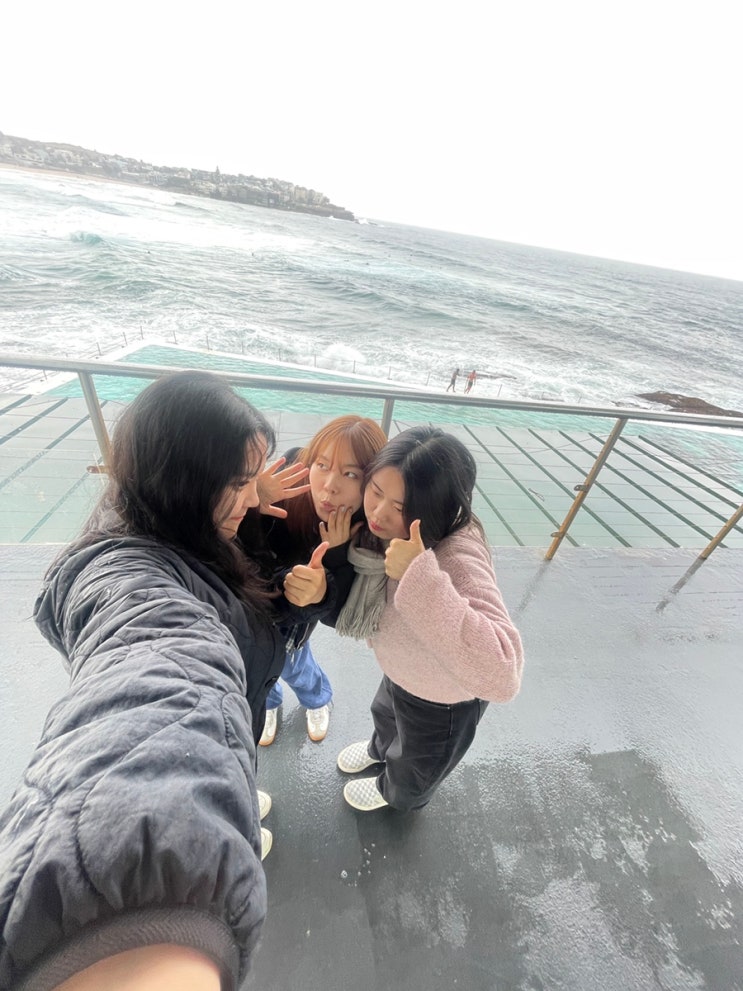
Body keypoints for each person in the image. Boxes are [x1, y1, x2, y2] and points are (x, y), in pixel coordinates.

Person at [0, 371, 331, 991]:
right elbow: (161, 679)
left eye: (251, 477)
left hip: (243, 703)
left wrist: (249, 494)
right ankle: (233, 801)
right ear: (186, 481)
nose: (250, 495)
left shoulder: (186, 519)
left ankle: (239, 793)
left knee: (243, 764)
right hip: (218, 709)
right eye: (236, 481)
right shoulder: (128, 573)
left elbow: (251, 609)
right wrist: (148, 926)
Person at [336, 426, 524, 813]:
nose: (378, 514)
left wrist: (419, 575)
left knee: (415, 768)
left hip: (442, 701)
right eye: (375, 491)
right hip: (402, 671)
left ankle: (393, 793)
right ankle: (379, 751)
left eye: (401, 507)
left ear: (435, 508)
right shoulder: (384, 530)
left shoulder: (457, 557)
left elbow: (504, 673)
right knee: (385, 717)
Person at [249, 415, 388, 746]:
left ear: (372, 482)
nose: (329, 486)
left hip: (294, 624)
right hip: (251, 613)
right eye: (322, 466)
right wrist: (251, 501)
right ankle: (269, 703)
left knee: (295, 665)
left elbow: (338, 618)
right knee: (259, 671)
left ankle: (317, 699)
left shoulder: (368, 529)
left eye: (351, 474)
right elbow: (238, 554)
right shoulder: (286, 482)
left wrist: (335, 557)